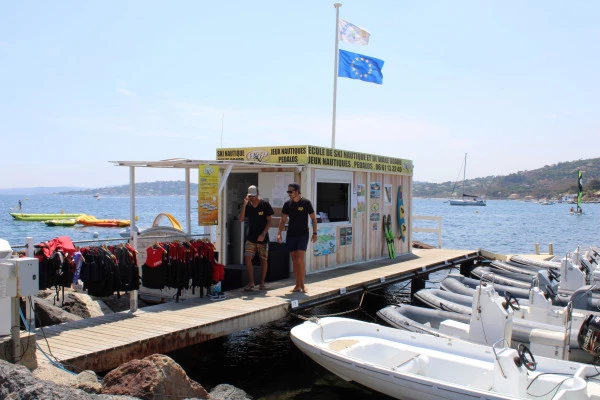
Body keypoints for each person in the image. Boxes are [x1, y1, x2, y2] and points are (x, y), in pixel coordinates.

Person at [277, 182, 318, 293]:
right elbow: (283, 219)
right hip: (291, 234)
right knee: (294, 261)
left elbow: (313, 219)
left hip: (303, 234)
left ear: (297, 191)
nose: (289, 193)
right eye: (288, 192)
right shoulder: (287, 204)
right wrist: (279, 233)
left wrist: (315, 233)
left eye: (291, 191)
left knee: (299, 259)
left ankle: (303, 285)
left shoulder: (306, 203)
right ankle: (297, 285)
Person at [239, 185, 274, 291]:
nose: (252, 198)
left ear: (258, 194)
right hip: (251, 237)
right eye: (250, 196)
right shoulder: (248, 206)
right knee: (248, 258)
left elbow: (270, 221)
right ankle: (251, 282)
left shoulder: (265, 204)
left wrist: (264, 233)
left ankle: (262, 283)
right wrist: (244, 205)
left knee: (263, 259)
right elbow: (241, 219)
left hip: (262, 237)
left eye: (254, 196)